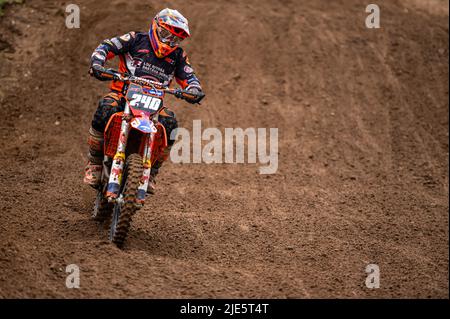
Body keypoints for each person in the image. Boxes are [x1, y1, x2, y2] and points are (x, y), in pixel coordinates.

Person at [84, 8, 204, 193]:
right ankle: (95, 163)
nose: (169, 42)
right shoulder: (135, 39)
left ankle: (152, 170)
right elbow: (107, 46)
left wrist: (194, 90)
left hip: (153, 106)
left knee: (170, 123)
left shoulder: (178, 56)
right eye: (166, 34)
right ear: (156, 26)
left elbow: (189, 77)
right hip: (123, 96)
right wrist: (98, 63)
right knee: (105, 109)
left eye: (175, 39)